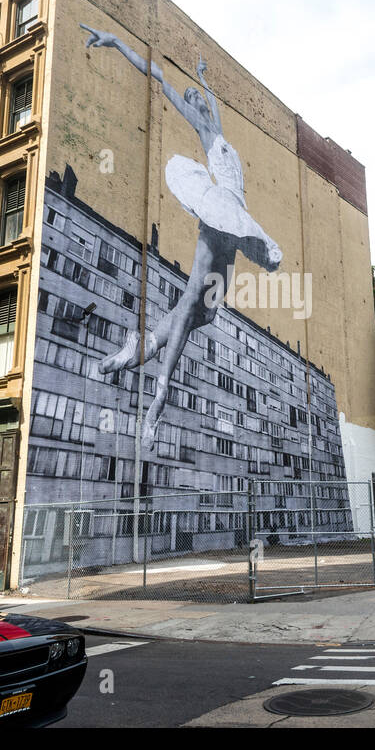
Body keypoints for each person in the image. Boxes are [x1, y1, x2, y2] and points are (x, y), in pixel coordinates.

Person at [82, 25, 283, 444]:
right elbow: (158, 77)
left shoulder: (220, 131)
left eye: (198, 100)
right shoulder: (203, 127)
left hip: (233, 217)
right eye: (192, 100)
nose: (196, 103)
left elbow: (213, 105)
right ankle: (160, 394)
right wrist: (119, 43)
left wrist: (205, 78)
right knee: (194, 297)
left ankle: (140, 347)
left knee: (204, 311)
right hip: (220, 209)